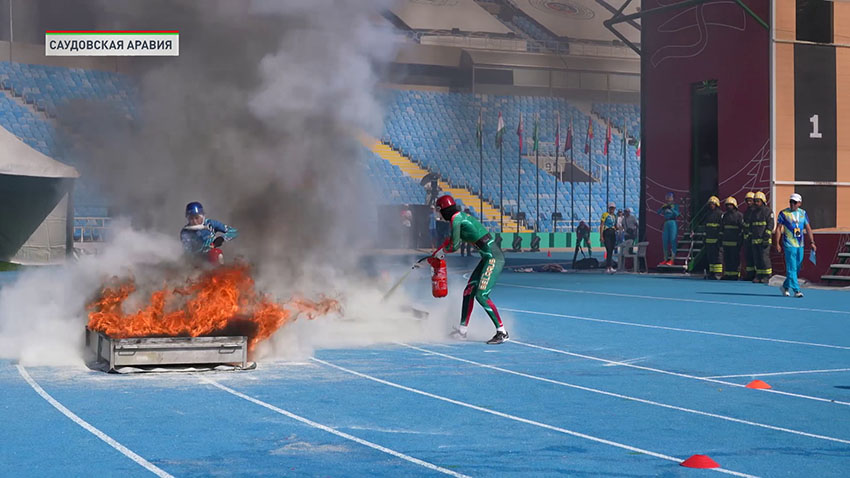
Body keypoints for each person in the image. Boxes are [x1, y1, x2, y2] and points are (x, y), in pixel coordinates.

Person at [435, 194, 508, 345]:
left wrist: (441, 253)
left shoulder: (456, 219)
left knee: (481, 295)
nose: (439, 214)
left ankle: (502, 331)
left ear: (444, 210)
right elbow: (451, 241)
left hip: (493, 257)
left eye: (439, 210)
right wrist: (440, 250)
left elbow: (454, 246)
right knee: (469, 291)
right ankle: (462, 331)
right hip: (488, 257)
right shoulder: (459, 217)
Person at [774, 193, 816, 297]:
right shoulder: (783, 213)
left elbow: (808, 228)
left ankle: (785, 286)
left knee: (797, 267)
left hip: (800, 244)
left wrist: (812, 242)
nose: (792, 204)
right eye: (791, 202)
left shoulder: (803, 213)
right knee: (791, 267)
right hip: (789, 244)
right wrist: (777, 243)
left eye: (795, 202)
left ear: (799, 203)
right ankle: (797, 290)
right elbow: (778, 229)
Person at [749, 191, 774, 283]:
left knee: (764, 258)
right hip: (755, 239)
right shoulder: (753, 212)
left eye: (758, 201)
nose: (756, 203)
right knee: (757, 258)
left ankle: (767, 276)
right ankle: (759, 275)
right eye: (755, 201)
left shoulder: (768, 211)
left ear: (763, 201)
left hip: (765, 240)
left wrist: (767, 234)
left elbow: (771, 223)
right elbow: (751, 225)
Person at [720, 196, 744, 280]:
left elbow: (742, 229)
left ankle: (735, 274)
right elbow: (722, 228)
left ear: (734, 205)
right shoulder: (724, 216)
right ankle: (727, 274)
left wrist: (740, 240)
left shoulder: (739, 216)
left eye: (730, 205)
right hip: (726, 242)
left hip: (735, 242)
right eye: (727, 205)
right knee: (727, 259)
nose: (729, 207)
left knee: (734, 259)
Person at [702, 196, 723, 280]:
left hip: (716, 239)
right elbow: (705, 226)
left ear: (716, 204)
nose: (711, 205)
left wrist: (720, 238)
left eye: (713, 204)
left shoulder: (720, 214)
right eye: (710, 204)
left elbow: (721, 227)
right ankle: (712, 272)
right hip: (709, 239)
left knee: (717, 257)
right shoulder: (707, 214)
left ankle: (718, 273)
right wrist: (704, 237)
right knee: (710, 257)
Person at [658, 192, 680, 265]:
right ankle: (665, 258)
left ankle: (672, 259)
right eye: (667, 197)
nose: (668, 198)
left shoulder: (675, 205)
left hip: (673, 222)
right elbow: (658, 212)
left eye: (670, 197)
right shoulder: (665, 205)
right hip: (666, 223)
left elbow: (677, 214)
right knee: (665, 241)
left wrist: (672, 209)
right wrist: (662, 208)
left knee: (672, 241)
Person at [741, 191, 756, 280]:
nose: (749, 202)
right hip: (747, 238)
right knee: (749, 257)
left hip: (754, 237)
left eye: (750, 200)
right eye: (747, 201)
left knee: (756, 257)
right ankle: (750, 274)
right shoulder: (747, 211)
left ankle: (756, 274)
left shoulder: (755, 211)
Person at [600, 202, 618, 274]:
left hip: (613, 232)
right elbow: (602, 225)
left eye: (613, 208)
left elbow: (615, 225)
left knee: (611, 249)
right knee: (608, 249)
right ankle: (608, 266)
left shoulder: (615, 216)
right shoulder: (605, 215)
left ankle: (610, 266)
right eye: (611, 208)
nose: (612, 209)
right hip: (606, 232)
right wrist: (601, 236)